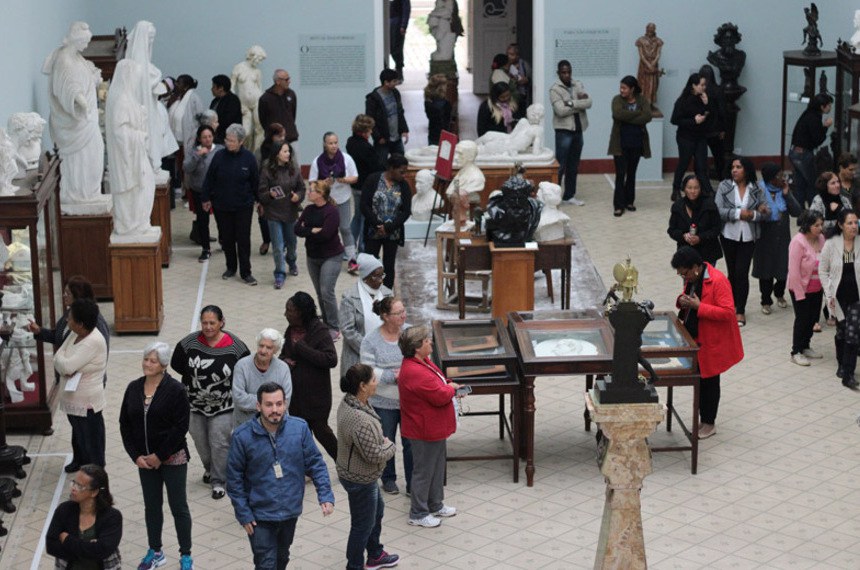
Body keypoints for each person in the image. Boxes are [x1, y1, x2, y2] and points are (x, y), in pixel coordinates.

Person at [226, 382, 334, 570]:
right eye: (269, 405)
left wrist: (325, 495)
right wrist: (243, 513)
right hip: (259, 516)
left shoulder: (299, 429)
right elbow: (234, 479)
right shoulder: (242, 437)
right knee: (266, 563)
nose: (275, 410)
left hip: (290, 512)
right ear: (258, 406)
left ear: (285, 404)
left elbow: (316, 463)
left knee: (282, 558)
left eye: (279, 404)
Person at [119, 342, 193, 570]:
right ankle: (155, 551)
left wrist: (160, 455)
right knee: (151, 507)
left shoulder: (176, 390)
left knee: (178, 507)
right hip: (144, 461)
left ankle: (186, 555)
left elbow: (181, 427)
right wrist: (136, 456)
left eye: (153, 361)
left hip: (172, 458)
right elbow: (125, 424)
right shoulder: (133, 388)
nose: (148, 364)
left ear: (163, 365)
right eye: (146, 359)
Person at [171, 305, 250, 500]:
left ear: (221, 322)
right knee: (200, 442)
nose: (207, 327)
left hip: (224, 405)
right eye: (204, 323)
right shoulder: (189, 343)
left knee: (219, 443)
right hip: (193, 404)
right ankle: (210, 468)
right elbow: (176, 363)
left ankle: (219, 481)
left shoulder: (236, 346)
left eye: (212, 323)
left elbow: (245, 370)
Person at [672, 246, 744, 440]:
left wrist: (699, 306)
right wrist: (682, 300)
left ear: (695, 267)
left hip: (712, 341)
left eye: (685, 273)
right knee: (701, 382)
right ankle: (703, 420)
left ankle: (709, 423)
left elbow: (727, 312)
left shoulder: (718, 281)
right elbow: (688, 297)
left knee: (710, 382)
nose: (684, 277)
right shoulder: (694, 278)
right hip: (697, 338)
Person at [336, 364, 400, 570]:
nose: (376, 382)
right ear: (362, 386)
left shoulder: (351, 401)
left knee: (376, 512)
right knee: (362, 525)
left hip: (360, 475)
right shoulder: (359, 419)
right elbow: (374, 455)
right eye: (373, 379)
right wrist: (390, 445)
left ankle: (375, 553)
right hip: (360, 479)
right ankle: (355, 565)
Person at [41, 22, 109, 213]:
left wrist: (94, 78)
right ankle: (77, 194)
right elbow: (67, 87)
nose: (86, 45)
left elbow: (85, 77)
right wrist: (83, 103)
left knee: (95, 151)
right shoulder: (64, 59)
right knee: (82, 157)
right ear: (76, 39)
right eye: (85, 41)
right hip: (75, 122)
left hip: (86, 120)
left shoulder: (77, 57)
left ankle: (90, 193)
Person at [398, 326, 460, 527]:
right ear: (417, 347)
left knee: (437, 468)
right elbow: (439, 395)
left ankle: (435, 504)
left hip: (433, 427)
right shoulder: (415, 371)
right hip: (423, 430)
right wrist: (450, 389)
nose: (430, 342)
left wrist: (449, 384)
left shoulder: (422, 361)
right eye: (426, 340)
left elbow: (439, 380)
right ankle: (418, 513)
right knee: (424, 472)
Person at [361, 297, 412, 496]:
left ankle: (413, 482)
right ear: (385, 316)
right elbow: (368, 370)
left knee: (410, 443)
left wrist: (406, 374)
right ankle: (388, 479)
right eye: (398, 313)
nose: (403, 315)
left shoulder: (409, 334)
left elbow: (421, 358)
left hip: (409, 400)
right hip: (382, 402)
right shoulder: (370, 340)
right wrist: (393, 376)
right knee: (386, 441)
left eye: (403, 311)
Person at [279, 293, 339, 458]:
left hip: (316, 398)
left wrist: (302, 348)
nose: (285, 314)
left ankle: (344, 463)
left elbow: (331, 359)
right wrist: (284, 361)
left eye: (289, 310)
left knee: (322, 432)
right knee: (301, 436)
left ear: (300, 312)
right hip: (297, 398)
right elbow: (284, 353)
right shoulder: (290, 330)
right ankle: (309, 467)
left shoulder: (319, 330)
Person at [201, 123, 260, 285]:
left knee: (243, 239)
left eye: (232, 141)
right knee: (227, 238)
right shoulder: (219, 156)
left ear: (241, 141)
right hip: (222, 206)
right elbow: (209, 179)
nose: (228, 143)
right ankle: (231, 267)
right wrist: (205, 198)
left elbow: (255, 182)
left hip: (243, 206)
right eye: (227, 139)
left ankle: (246, 272)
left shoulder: (249, 158)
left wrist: (260, 201)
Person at [53, 298, 108, 469]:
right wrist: (64, 363)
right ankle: (80, 461)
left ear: (81, 324)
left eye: (70, 318)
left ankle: (96, 476)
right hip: (72, 398)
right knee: (78, 434)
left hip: (87, 402)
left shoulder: (93, 341)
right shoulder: (74, 333)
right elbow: (58, 355)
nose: (67, 320)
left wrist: (64, 364)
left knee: (92, 441)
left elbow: (66, 366)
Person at [27, 274, 110, 384]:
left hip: (85, 382)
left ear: (78, 295)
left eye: (68, 293)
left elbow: (101, 352)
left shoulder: (96, 320)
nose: (64, 295)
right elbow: (59, 336)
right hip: (67, 378)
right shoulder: (71, 312)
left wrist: (65, 363)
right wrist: (39, 331)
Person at [716, 156, 768, 326]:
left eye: (738, 167)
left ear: (746, 169)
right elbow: (718, 210)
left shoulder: (757, 188)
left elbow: (765, 212)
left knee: (741, 272)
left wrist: (752, 215)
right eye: (733, 167)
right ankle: (730, 306)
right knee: (732, 272)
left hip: (749, 237)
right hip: (728, 235)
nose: (735, 170)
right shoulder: (724, 186)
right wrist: (739, 214)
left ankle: (740, 311)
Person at [46, 464, 122, 570]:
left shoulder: (112, 517)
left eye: (79, 486)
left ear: (94, 492)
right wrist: (89, 549)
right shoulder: (64, 510)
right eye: (74, 483)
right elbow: (51, 546)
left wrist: (67, 540)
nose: (73, 488)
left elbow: (103, 551)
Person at [295, 179, 345, 337]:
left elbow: (326, 234)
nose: (308, 193)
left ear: (321, 194)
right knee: (319, 292)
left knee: (326, 291)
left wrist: (307, 230)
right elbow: (297, 229)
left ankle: (334, 327)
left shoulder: (331, 211)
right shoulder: (309, 209)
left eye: (311, 190)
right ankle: (326, 321)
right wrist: (312, 230)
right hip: (313, 256)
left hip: (331, 256)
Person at [754, 163, 803, 315]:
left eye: (783, 175)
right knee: (765, 271)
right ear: (770, 178)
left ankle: (779, 293)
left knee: (783, 268)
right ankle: (766, 300)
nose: (783, 178)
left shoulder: (784, 190)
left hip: (783, 237)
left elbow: (797, 212)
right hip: (765, 237)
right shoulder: (759, 190)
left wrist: (787, 194)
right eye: (779, 176)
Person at [819, 209, 860, 389]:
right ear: (840, 225)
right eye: (850, 223)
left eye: (856, 222)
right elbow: (823, 270)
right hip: (838, 298)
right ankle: (841, 364)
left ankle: (848, 374)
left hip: (857, 298)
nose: (854, 226)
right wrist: (828, 294)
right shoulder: (831, 244)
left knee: (852, 334)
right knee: (842, 332)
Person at [308, 132, 360, 273]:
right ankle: (325, 256)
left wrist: (344, 180)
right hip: (325, 201)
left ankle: (352, 260)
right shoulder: (317, 161)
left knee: (345, 228)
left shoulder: (346, 159)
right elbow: (312, 182)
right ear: (325, 144)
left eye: (336, 142)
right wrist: (324, 183)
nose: (334, 146)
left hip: (343, 198)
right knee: (325, 230)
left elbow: (355, 177)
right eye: (330, 143)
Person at [361, 154, 413, 290]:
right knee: (370, 265)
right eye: (401, 172)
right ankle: (368, 292)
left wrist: (389, 227)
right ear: (391, 168)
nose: (404, 175)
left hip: (393, 233)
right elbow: (364, 205)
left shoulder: (403, 186)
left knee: (389, 266)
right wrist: (377, 224)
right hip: (373, 231)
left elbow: (406, 211)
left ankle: (387, 294)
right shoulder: (373, 180)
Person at [259, 141, 305, 288]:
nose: (288, 154)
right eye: (285, 151)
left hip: (290, 213)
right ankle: (279, 273)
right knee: (278, 246)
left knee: (292, 243)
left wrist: (298, 196)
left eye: (288, 151)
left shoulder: (294, 169)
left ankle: (291, 261)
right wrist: (269, 194)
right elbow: (261, 193)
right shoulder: (266, 171)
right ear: (276, 153)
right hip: (273, 213)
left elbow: (302, 188)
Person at [340, 254, 392, 378]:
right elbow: (348, 330)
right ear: (365, 277)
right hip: (358, 357)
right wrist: (370, 349)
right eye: (376, 276)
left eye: (382, 275)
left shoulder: (387, 294)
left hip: (384, 357)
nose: (381, 280)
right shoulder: (349, 298)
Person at [607, 75, 652, 216]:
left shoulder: (642, 100)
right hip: (620, 144)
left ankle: (629, 201)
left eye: (624, 88)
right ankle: (618, 205)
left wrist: (628, 117)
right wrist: (637, 114)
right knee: (620, 174)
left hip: (637, 143)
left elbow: (647, 116)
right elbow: (618, 114)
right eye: (621, 87)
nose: (621, 90)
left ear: (632, 89)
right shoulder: (617, 100)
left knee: (632, 174)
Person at [549, 60, 591, 205]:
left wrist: (571, 103)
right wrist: (579, 104)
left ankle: (569, 196)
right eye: (563, 72)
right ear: (558, 73)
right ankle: (554, 198)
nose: (567, 75)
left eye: (569, 72)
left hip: (578, 130)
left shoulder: (577, 84)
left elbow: (589, 102)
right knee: (560, 165)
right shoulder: (554, 89)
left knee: (573, 165)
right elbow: (560, 111)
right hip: (563, 131)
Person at [787, 211, 825, 367]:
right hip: (800, 288)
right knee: (802, 319)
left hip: (817, 288)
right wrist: (799, 294)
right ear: (807, 226)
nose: (820, 228)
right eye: (816, 225)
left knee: (813, 318)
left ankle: (805, 346)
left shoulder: (821, 239)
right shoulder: (798, 242)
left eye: (821, 224)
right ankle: (796, 351)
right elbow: (794, 271)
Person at [232, 328, 293, 427]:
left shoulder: (283, 368)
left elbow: (285, 401)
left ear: (275, 350)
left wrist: (259, 402)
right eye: (261, 345)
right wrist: (271, 402)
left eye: (269, 347)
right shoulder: (242, 365)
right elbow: (239, 398)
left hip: (275, 425)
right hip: (246, 425)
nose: (263, 351)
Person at [670, 73, 714, 201]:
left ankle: (707, 190)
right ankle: (676, 190)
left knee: (701, 165)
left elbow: (711, 117)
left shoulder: (704, 98)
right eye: (701, 85)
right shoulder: (683, 100)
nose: (704, 87)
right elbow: (674, 120)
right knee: (683, 163)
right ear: (693, 85)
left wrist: (707, 104)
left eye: (704, 85)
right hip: (685, 137)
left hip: (700, 137)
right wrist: (693, 121)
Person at [184, 124, 223, 262]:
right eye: (204, 137)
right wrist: (198, 155)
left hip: (218, 191)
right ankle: (206, 248)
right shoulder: (194, 151)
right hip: (199, 191)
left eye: (210, 136)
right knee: (202, 220)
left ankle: (224, 241)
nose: (207, 139)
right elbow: (186, 167)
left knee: (222, 219)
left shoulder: (220, 150)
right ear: (199, 139)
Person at [346, 115, 384, 253]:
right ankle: (362, 248)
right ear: (363, 131)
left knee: (357, 216)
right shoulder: (366, 147)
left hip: (355, 185)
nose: (372, 132)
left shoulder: (350, 142)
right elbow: (376, 166)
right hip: (366, 186)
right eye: (370, 130)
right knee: (365, 218)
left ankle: (349, 247)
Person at [667, 174, 722, 266]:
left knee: (705, 275)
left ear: (701, 189)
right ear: (684, 189)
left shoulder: (709, 205)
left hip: (708, 253)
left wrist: (700, 238)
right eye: (689, 188)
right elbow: (672, 230)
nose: (693, 191)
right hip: (686, 254)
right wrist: (683, 236)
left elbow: (716, 229)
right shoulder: (677, 206)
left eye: (696, 188)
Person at [789, 93, 833, 207]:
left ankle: (799, 210)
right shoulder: (814, 117)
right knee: (812, 183)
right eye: (829, 105)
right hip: (803, 154)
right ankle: (814, 209)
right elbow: (818, 139)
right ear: (822, 106)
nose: (830, 108)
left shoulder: (808, 114)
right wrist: (826, 127)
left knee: (800, 183)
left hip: (795, 152)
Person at [365, 69, 409, 165]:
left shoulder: (396, 93)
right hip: (383, 140)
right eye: (394, 81)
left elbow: (400, 112)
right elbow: (370, 120)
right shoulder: (373, 99)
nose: (396, 83)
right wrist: (378, 137)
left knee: (400, 164)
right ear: (386, 82)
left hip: (397, 138)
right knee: (381, 165)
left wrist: (404, 129)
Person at [231, 45, 267, 152]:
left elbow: (259, 88)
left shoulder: (257, 71)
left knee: (259, 130)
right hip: (244, 104)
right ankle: (245, 153)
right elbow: (231, 87)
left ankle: (256, 154)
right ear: (253, 56)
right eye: (259, 59)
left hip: (257, 102)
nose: (259, 62)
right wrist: (237, 104)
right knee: (246, 132)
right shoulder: (238, 68)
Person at [698, 65, 728, 181]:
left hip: (701, 129)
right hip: (715, 129)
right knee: (719, 157)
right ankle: (723, 180)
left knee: (700, 158)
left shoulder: (699, 91)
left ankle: (702, 181)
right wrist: (723, 129)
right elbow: (722, 111)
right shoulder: (718, 90)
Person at [258, 69, 299, 147]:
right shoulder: (265, 98)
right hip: (274, 141)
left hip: (291, 137)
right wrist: (273, 133)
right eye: (286, 79)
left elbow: (293, 114)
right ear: (278, 82)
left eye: (289, 78)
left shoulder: (291, 94)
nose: (289, 81)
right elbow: (263, 120)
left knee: (294, 155)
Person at [810, 171, 852, 235]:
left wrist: (840, 208)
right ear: (825, 186)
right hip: (825, 237)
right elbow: (814, 223)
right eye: (833, 183)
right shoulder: (818, 200)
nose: (837, 185)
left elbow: (852, 219)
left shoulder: (844, 199)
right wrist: (838, 223)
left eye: (838, 182)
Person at [635, 23, 663, 105]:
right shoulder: (641, 40)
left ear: (654, 29)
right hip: (644, 65)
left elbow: (658, 54)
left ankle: (650, 103)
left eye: (652, 28)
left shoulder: (658, 41)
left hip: (654, 65)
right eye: (649, 28)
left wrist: (653, 63)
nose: (650, 30)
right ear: (646, 29)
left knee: (653, 85)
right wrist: (648, 64)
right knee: (643, 84)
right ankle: (643, 103)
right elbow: (641, 55)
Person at [209, 74, 242, 144]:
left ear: (221, 88)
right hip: (215, 137)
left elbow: (228, 120)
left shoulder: (233, 100)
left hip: (228, 138)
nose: (211, 89)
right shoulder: (215, 101)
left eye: (213, 87)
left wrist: (216, 126)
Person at [424, 74, 452, 146]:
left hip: (432, 134)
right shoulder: (445, 103)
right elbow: (447, 121)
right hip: (444, 136)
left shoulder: (428, 101)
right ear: (441, 88)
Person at [389, 0, 411, 79]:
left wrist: (403, 25)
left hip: (396, 22)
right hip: (386, 21)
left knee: (396, 48)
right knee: (388, 48)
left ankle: (399, 70)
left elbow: (406, 9)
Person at [507, 43, 531, 108]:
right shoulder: (506, 65)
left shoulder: (524, 65)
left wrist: (527, 80)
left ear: (517, 55)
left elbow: (531, 79)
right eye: (508, 54)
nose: (509, 56)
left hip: (522, 97)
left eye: (512, 54)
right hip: (508, 98)